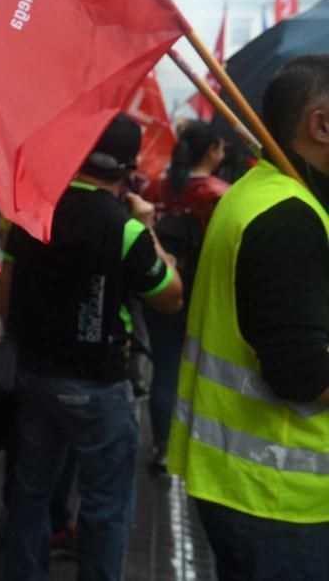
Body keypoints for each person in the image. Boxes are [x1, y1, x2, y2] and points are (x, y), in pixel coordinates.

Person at [0, 113, 183, 581]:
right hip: (98, 385)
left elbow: (7, 288)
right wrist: (149, 227)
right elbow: (170, 298)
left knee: (30, 493)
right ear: (127, 167)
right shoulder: (127, 229)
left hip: (35, 375)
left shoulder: (33, 212)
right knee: (105, 505)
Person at [168, 55, 329, 579]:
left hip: (247, 488)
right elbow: (302, 374)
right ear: (321, 125)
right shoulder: (290, 219)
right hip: (281, 499)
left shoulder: (262, 195)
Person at [141, 122, 230, 473]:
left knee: (164, 367)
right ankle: (192, 446)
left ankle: (162, 446)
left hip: (158, 288)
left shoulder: (156, 187)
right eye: (221, 148)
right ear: (211, 152)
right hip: (201, 296)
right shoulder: (218, 193)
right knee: (199, 372)